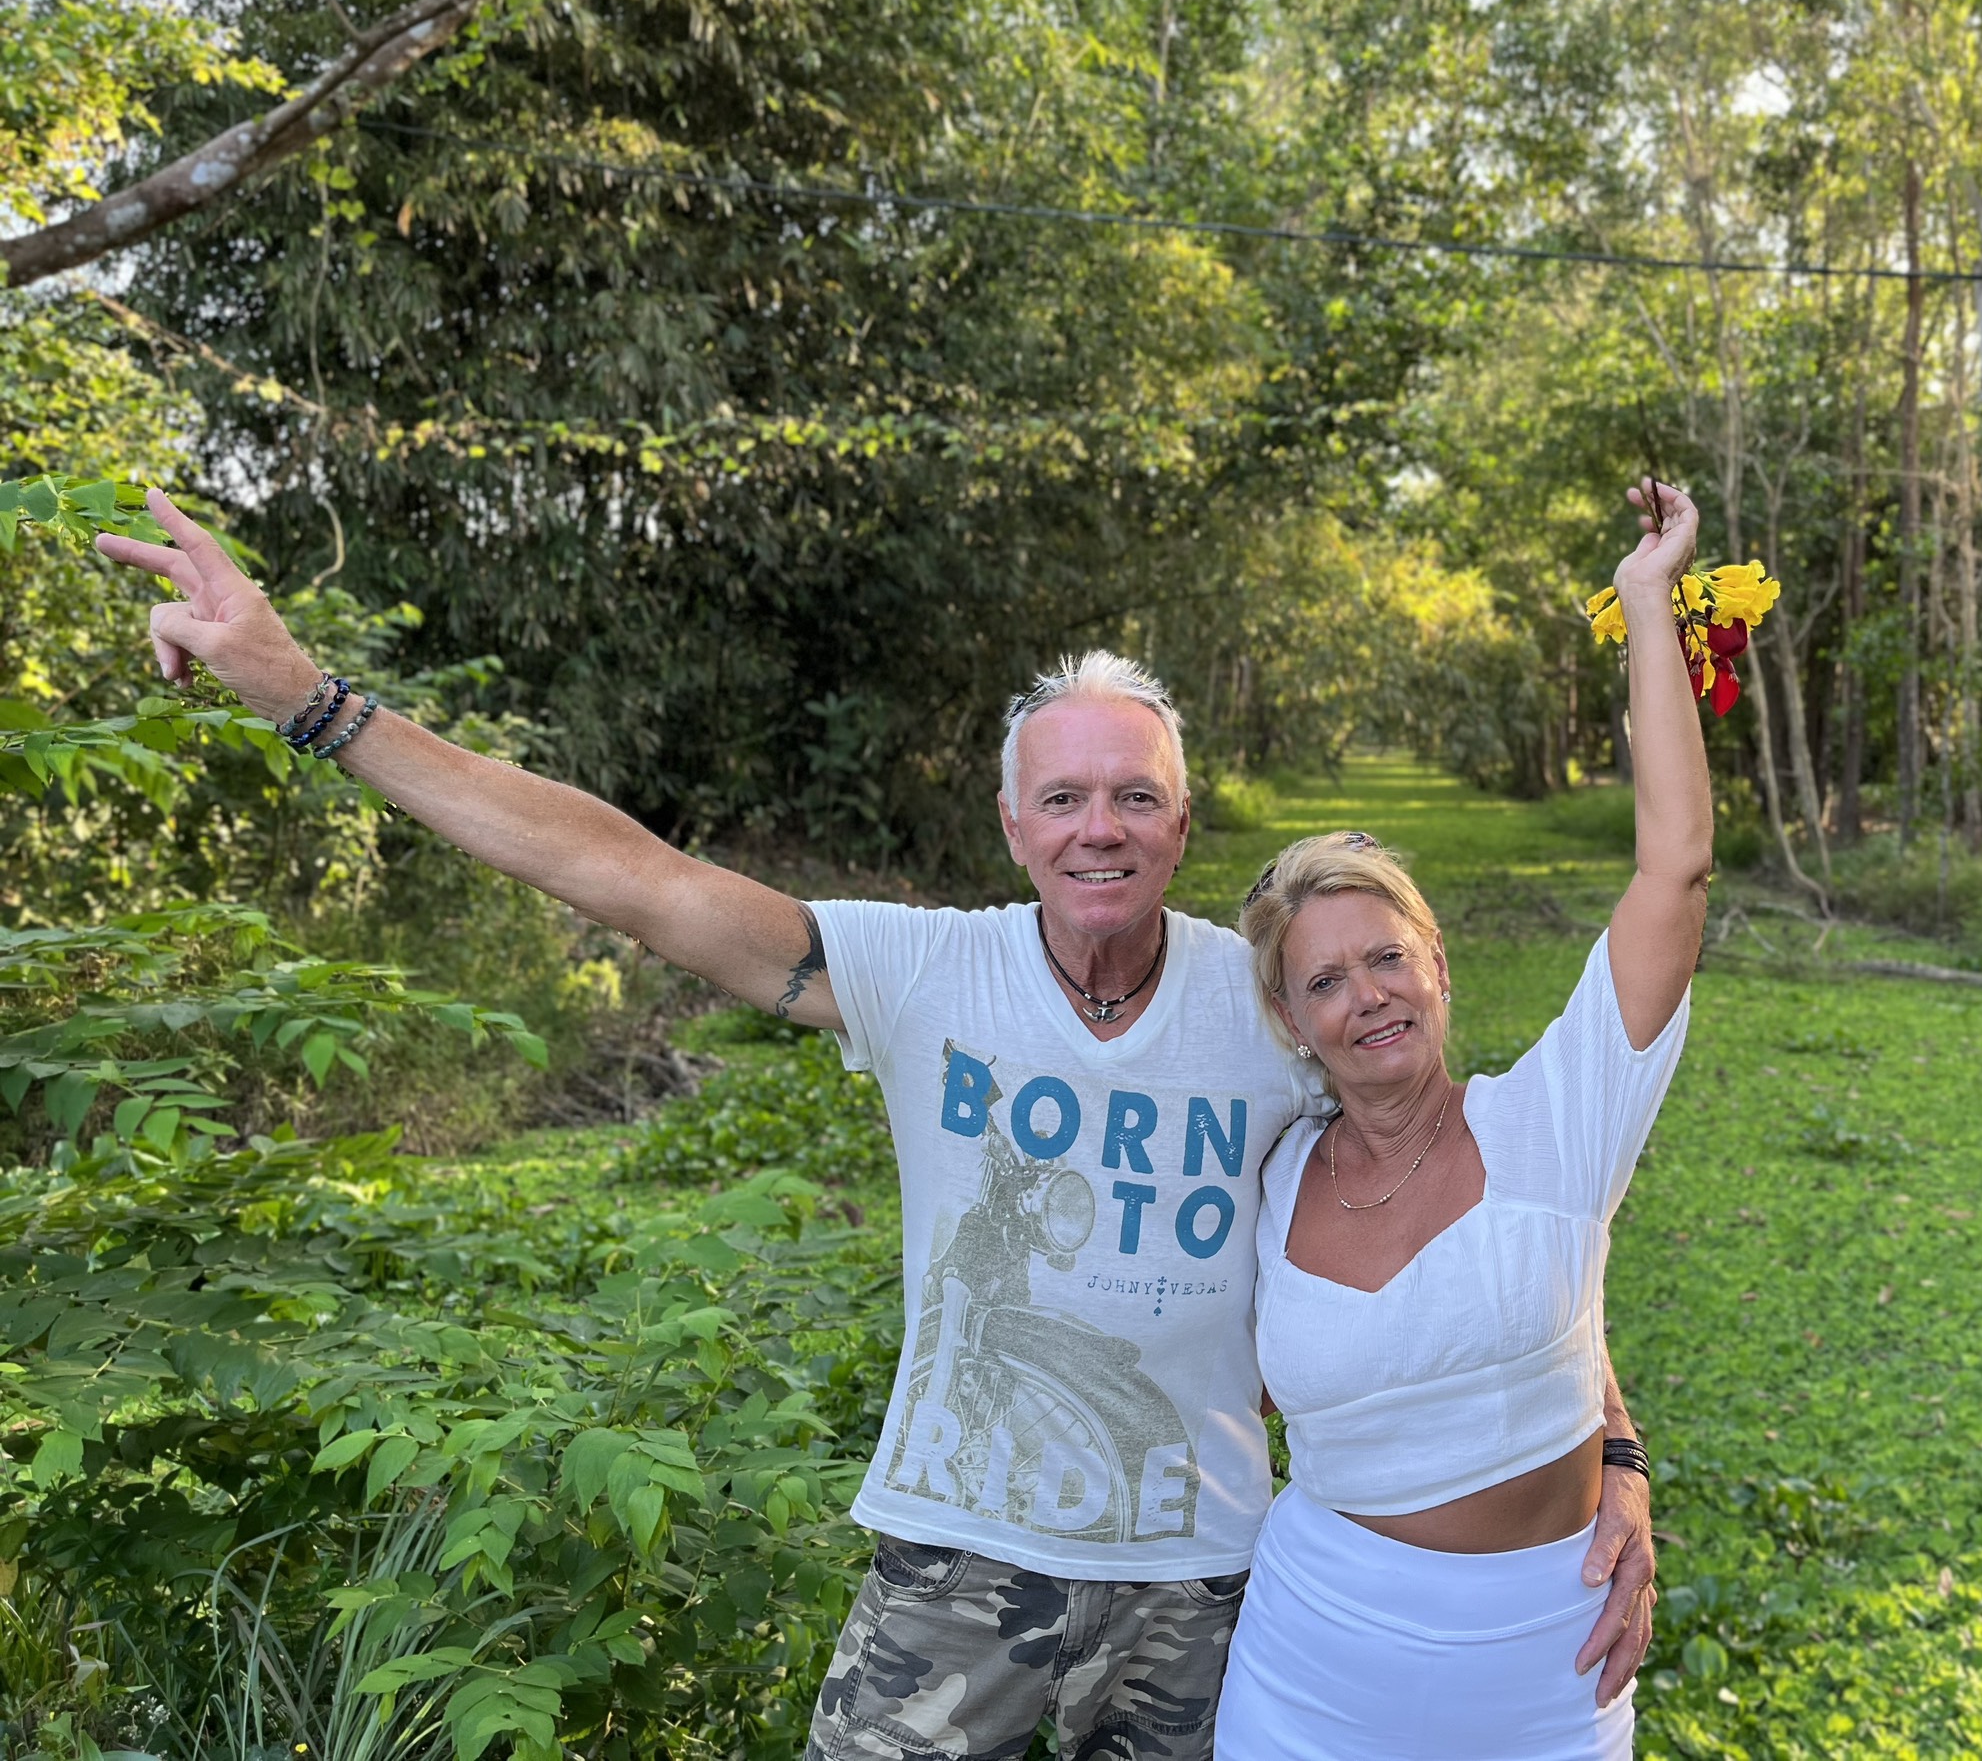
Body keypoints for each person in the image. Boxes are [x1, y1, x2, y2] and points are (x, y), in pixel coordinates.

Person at [95, 491, 1661, 1761]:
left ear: (1185, 822)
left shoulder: (1274, 1000)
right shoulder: (924, 972)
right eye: (1063, 798)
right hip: (953, 1569)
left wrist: (1614, 1450)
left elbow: (1479, 1205)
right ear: (1011, 825)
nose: (1097, 826)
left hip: (1206, 1581)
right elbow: (627, 872)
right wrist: (311, 698)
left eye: (1133, 796)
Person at [1220, 478, 1711, 1760]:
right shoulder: (1264, 1178)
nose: (1365, 998)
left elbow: (1674, 869)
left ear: (1437, 965)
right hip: (1312, 1651)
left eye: (1385, 958)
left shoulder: (1558, 1119)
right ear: (1290, 1020)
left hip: (1543, 1657)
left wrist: (1649, 601)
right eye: (1323, 981)